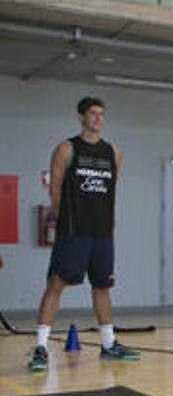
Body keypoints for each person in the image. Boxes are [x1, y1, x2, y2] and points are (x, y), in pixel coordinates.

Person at [27, 96, 139, 373]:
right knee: (56, 284)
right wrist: (64, 221)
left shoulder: (113, 152)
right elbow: (55, 189)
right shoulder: (67, 149)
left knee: (102, 286)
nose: (98, 118)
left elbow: (112, 189)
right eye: (92, 113)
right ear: (81, 117)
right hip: (73, 232)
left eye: (101, 114)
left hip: (102, 233)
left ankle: (108, 344)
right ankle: (41, 347)